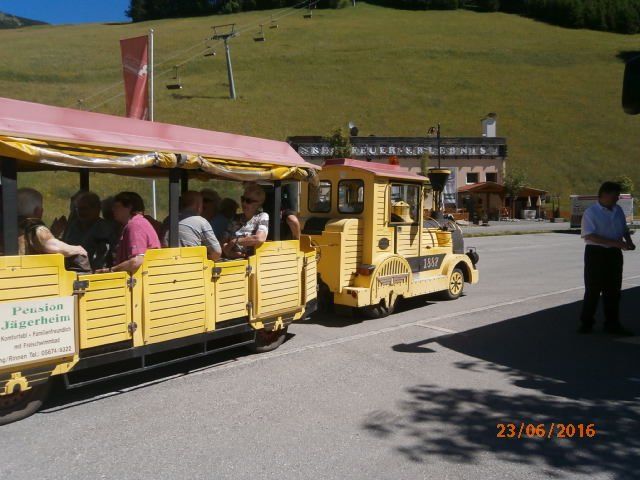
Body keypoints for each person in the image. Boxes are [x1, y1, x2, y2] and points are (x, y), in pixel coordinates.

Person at [578, 181, 636, 335]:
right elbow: (590, 235)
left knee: (613, 290)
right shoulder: (591, 212)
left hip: (614, 254)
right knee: (593, 289)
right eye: (615, 195)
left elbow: (624, 229)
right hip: (596, 253)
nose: (617, 198)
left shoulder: (618, 210)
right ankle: (586, 323)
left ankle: (612, 323)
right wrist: (617, 243)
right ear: (604, 194)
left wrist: (628, 241)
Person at [16, 187, 87, 258]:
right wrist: (76, 249)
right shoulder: (35, 228)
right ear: (37, 211)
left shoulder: (13, 226)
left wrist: (53, 233)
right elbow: (51, 245)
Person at [104, 191, 161, 274]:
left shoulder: (135, 225)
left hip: (139, 279)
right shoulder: (138, 223)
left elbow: (136, 261)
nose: (113, 209)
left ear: (129, 207)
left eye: (117, 206)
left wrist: (111, 270)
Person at [63, 191, 118, 270]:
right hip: (69, 270)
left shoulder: (104, 229)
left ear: (97, 209)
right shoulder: (74, 226)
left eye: (84, 209)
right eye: (78, 209)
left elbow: (102, 258)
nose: (81, 212)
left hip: (91, 272)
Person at [163, 191, 221, 260]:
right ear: (198, 206)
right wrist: (206, 258)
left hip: (168, 261)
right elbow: (216, 252)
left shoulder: (168, 219)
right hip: (192, 263)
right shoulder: (201, 222)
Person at [222, 183, 268, 259]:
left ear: (259, 203)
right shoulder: (235, 218)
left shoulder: (262, 216)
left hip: (252, 261)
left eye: (248, 201)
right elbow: (223, 242)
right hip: (232, 260)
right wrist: (231, 253)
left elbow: (259, 238)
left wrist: (235, 241)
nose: (244, 203)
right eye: (243, 199)